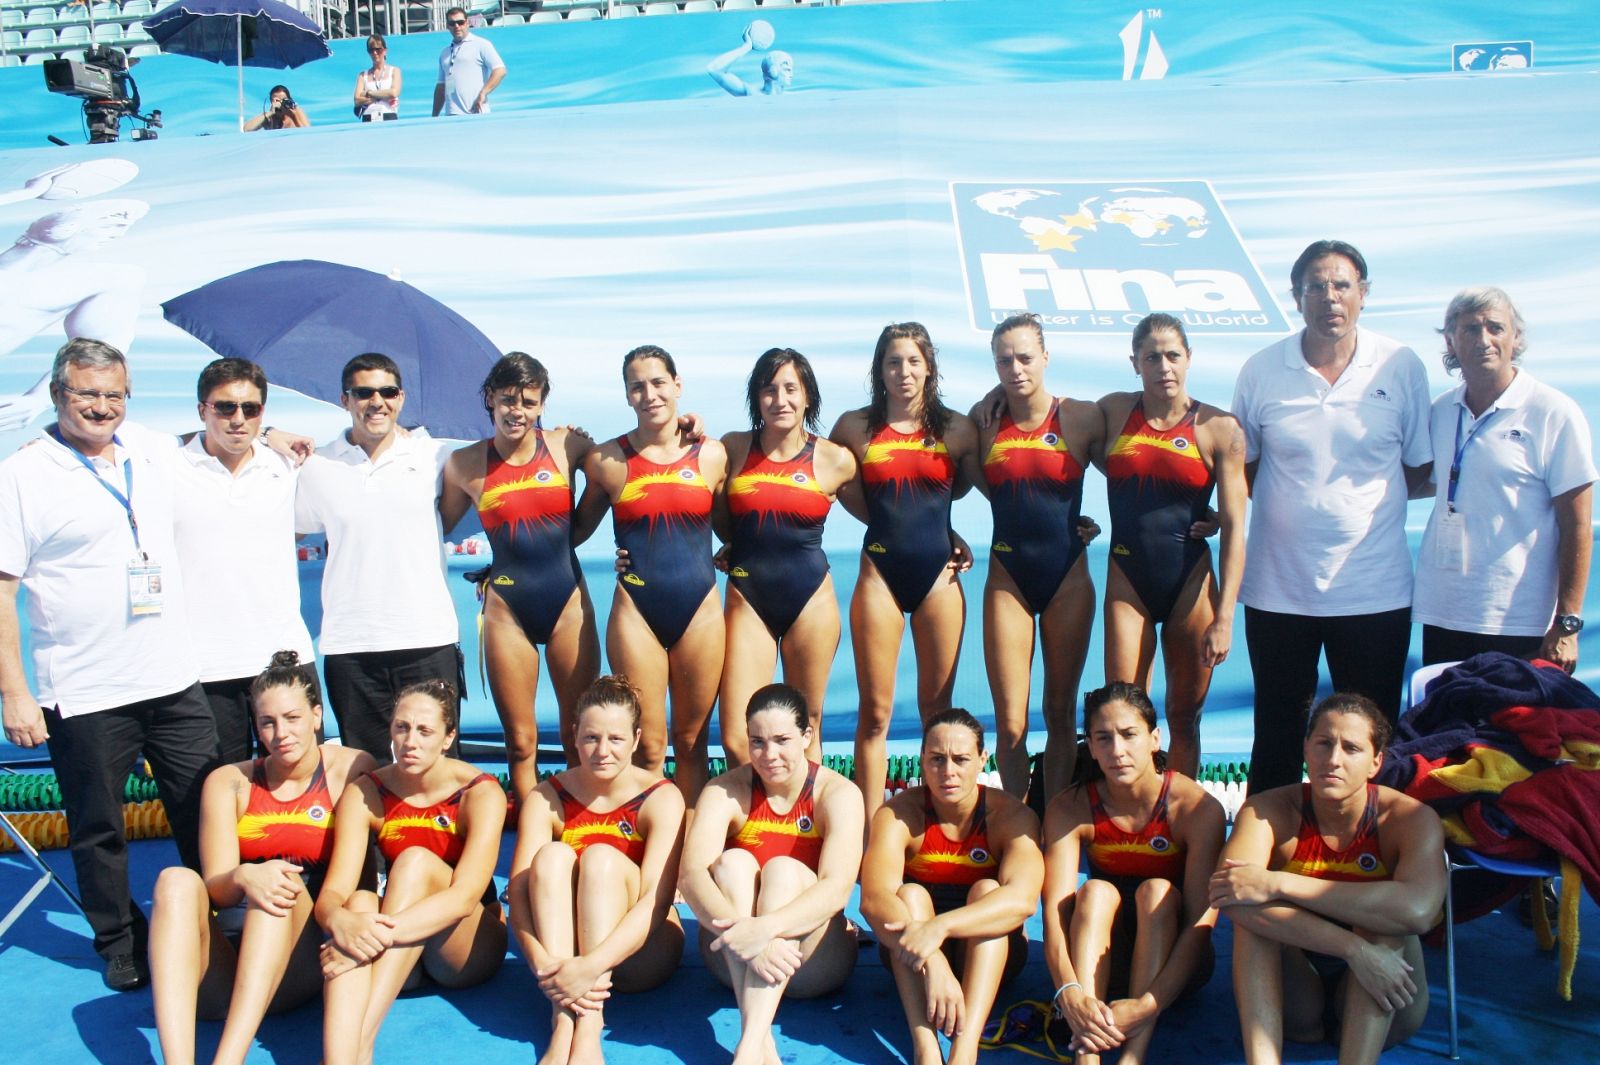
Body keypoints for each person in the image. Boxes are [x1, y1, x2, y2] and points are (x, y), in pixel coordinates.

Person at [0, 338, 218, 991]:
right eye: (86, 394)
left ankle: (209, 918)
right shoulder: (23, 474)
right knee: (98, 826)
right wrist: (14, 690)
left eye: (113, 394)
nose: (101, 407)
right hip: (86, 688)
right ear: (58, 395)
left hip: (173, 676)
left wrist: (282, 431)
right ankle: (119, 939)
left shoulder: (148, 449)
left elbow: (201, 432)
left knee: (200, 806)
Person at [1231, 240, 1432, 793]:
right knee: (1276, 733)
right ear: (1296, 298)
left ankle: (1374, 862)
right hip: (1279, 591)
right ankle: (1265, 862)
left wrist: (1354, 509)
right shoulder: (1262, 369)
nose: (1329, 298)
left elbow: (1417, 468)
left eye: (1341, 285)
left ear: (1363, 295)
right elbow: (1244, 469)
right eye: (1315, 286)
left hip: (1374, 590)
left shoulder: (1400, 365)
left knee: (1369, 738)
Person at [149, 651, 375, 1065]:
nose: (281, 733)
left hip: (297, 961)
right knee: (175, 880)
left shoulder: (351, 768)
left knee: (278, 885)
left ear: (317, 715)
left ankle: (228, 1059)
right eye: (267, 722)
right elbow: (217, 889)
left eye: (292, 718)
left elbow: (357, 878)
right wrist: (244, 877)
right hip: (225, 969)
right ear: (256, 725)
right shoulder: (228, 782)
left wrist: (263, 880)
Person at [1210, 693, 1446, 1065]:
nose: (1333, 759)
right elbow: (1229, 897)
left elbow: (1418, 912)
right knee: (1254, 927)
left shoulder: (1407, 819)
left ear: (1376, 762)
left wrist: (1278, 884)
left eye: (1351, 748)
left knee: (1385, 923)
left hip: (1391, 999)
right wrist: (1353, 950)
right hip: (1300, 996)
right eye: (1323, 743)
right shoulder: (1269, 810)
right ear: (1306, 748)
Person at [829, 322, 979, 821]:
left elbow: (960, 489)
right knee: (874, 715)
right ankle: (871, 832)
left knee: (939, 714)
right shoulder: (854, 427)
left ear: (929, 366)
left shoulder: (956, 429)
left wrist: (941, 527)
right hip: (880, 577)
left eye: (913, 361)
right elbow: (834, 483)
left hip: (940, 576)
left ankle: (937, 819)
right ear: (879, 369)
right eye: (893, 362)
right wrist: (888, 517)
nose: (903, 371)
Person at [317, 680, 507, 1065]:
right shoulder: (366, 792)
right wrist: (342, 921)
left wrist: (372, 940)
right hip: (403, 950)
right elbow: (331, 895)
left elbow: (464, 897)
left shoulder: (479, 792)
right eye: (402, 727)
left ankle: (361, 1042)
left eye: (425, 731)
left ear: (448, 736)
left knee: (415, 862)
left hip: (465, 948)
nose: (410, 741)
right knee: (357, 903)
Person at [571, 346, 727, 804]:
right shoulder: (606, 461)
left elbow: (737, 528)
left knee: (693, 742)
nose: (649, 394)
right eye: (637, 386)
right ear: (626, 395)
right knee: (650, 746)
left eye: (658, 382)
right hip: (636, 611)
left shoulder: (713, 454)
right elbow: (573, 531)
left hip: (699, 609)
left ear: (677, 386)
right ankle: (650, 854)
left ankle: (690, 857)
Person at [440, 353, 599, 798]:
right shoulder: (464, 464)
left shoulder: (570, 446)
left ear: (542, 404)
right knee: (521, 742)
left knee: (577, 735)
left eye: (529, 402)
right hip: (508, 608)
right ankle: (531, 834)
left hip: (567, 600)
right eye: (508, 399)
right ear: (490, 399)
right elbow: (433, 526)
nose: (518, 411)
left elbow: (626, 474)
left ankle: (580, 828)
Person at [679, 683, 864, 1065]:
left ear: (807, 736)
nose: (769, 754)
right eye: (757, 742)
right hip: (734, 958)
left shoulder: (837, 793)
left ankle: (747, 1049)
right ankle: (755, 1043)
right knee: (732, 864)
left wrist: (764, 930)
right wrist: (747, 935)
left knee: (782, 870)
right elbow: (692, 876)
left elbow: (837, 890)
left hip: (812, 963)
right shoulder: (725, 791)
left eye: (782, 740)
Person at [1412, 287, 1595, 672]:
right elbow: (1414, 482)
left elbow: (1577, 523)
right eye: (1470, 330)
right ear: (1450, 341)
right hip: (1445, 613)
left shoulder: (1553, 412)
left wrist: (1567, 624)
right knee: (1448, 730)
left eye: (1496, 328)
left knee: (1514, 732)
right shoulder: (1441, 411)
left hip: (1520, 621)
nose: (1484, 340)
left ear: (1517, 338)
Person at [1041, 682, 1224, 1064]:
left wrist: (1147, 1004)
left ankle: (1133, 1057)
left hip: (1174, 966)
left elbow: (1199, 923)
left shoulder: (1196, 809)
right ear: (1089, 746)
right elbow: (1055, 919)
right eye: (1103, 738)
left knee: (1157, 891)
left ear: (1155, 739)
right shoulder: (1070, 807)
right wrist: (1070, 993)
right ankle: (1087, 1052)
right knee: (1094, 893)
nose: (1117, 751)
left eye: (1129, 735)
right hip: (1101, 962)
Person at [1096, 314, 1246, 778]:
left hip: (1192, 582)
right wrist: (999, 395)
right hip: (1128, 579)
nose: (1164, 366)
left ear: (1189, 358)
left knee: (1184, 717)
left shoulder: (1218, 427)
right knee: (1123, 713)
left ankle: (1179, 814)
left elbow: (1237, 526)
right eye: (1151, 357)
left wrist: (1224, 617)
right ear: (1135, 362)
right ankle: (1131, 819)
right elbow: (1049, 418)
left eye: (1173, 355)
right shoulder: (1113, 410)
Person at [508, 675, 685, 1065]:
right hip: (562, 960)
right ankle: (562, 1022)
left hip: (639, 953)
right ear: (573, 735)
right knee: (552, 858)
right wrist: (542, 964)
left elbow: (655, 902)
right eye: (591, 738)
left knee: (600, 859)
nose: (602, 751)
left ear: (636, 740)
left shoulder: (660, 797)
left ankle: (588, 1028)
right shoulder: (548, 795)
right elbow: (519, 894)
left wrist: (590, 966)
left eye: (616, 739)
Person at [296, 353, 461, 764]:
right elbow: (283, 529)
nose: (377, 402)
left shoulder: (436, 458)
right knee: (367, 771)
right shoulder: (317, 467)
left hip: (426, 639)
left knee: (438, 771)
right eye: (364, 392)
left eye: (387, 392)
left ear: (401, 398)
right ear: (345, 399)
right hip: (351, 646)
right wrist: (268, 434)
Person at [861, 708, 1044, 1065]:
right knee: (909, 895)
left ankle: (965, 1049)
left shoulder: (1011, 817)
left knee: (989, 891)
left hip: (991, 958)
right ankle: (925, 1048)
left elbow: (1023, 901)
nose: (948, 772)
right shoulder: (899, 814)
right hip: (914, 959)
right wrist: (934, 959)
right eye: (937, 760)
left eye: (961, 759)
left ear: (982, 760)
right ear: (922, 761)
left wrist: (939, 928)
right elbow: (873, 899)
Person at [974, 312, 1100, 801]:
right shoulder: (984, 423)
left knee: (1061, 709)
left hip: (1068, 573)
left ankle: (1057, 815)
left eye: (1025, 357)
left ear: (1046, 357)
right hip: (1009, 577)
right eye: (1004, 360)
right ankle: (1017, 817)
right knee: (1010, 721)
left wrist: (1204, 513)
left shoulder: (1081, 417)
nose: (1016, 368)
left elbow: (1142, 466)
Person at [718, 347, 856, 767]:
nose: (780, 400)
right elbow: (696, 505)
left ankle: (808, 828)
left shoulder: (835, 459)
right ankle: (751, 828)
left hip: (810, 599)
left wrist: (949, 532)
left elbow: (889, 515)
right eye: (769, 390)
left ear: (808, 396)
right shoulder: (732, 448)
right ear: (756, 398)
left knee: (806, 725)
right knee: (739, 735)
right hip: (748, 598)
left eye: (791, 389)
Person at [174, 358, 317, 764]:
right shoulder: (167, 465)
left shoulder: (287, 465)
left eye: (250, 409)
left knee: (303, 786)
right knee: (220, 790)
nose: (238, 419)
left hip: (284, 653)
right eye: (224, 408)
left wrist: (271, 436)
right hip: (205, 665)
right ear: (203, 410)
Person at [0, 199, 148, 432]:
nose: (116, 232)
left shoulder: (94, 280)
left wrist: (36, 399)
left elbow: (102, 349)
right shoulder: (39, 284)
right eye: (111, 223)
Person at [433, 7, 506, 117]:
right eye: (452, 23)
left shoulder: (481, 44)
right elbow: (441, 86)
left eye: (460, 22)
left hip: (477, 113)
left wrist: (483, 93)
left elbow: (500, 70)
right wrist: (434, 115)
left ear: (467, 23)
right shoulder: (445, 53)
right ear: (448, 26)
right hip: (451, 115)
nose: (457, 26)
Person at [706, 22, 793, 98]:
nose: (791, 74)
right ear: (773, 71)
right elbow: (714, 69)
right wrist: (746, 47)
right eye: (787, 69)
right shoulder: (752, 94)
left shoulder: (793, 98)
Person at [354, 34, 402, 121]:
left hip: (388, 115)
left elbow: (394, 93)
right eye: (371, 50)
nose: (375, 53)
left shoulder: (394, 71)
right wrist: (384, 95)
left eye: (378, 50)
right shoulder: (362, 75)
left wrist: (369, 93)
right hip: (368, 117)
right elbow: (357, 100)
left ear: (385, 51)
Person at [243, 85, 310, 132]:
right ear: (271, 101)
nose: (281, 103)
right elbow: (247, 129)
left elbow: (307, 133)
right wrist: (270, 113)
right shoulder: (269, 117)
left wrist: (294, 117)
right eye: (277, 100)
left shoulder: (296, 111)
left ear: (289, 99)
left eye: (284, 100)